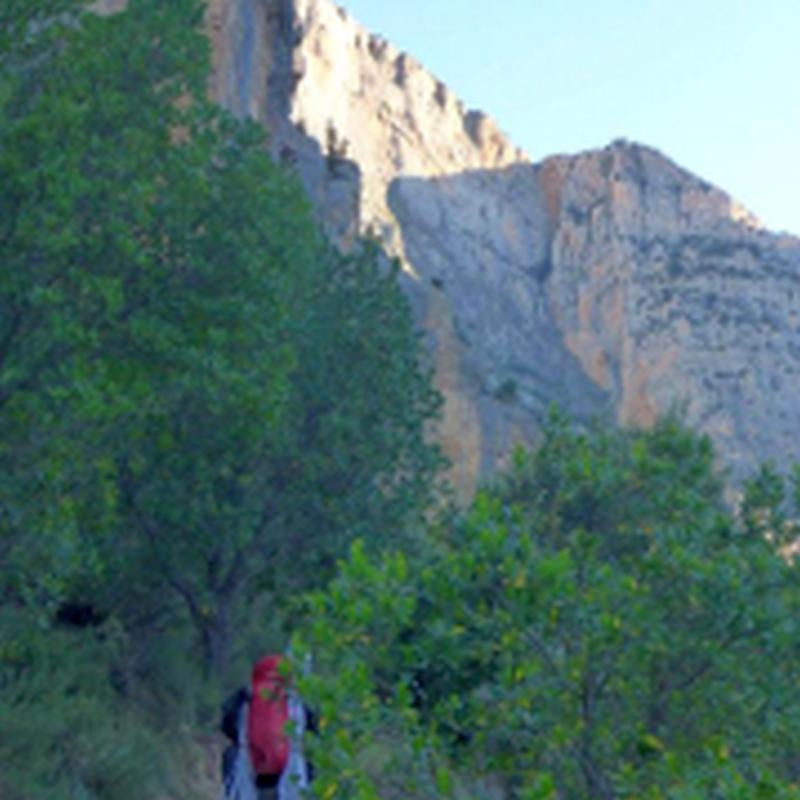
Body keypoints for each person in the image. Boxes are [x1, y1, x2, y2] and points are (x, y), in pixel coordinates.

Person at [221, 654, 313, 800]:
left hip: (249, 772)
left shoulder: (244, 698)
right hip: (291, 773)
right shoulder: (296, 702)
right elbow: (313, 731)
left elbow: (226, 727)